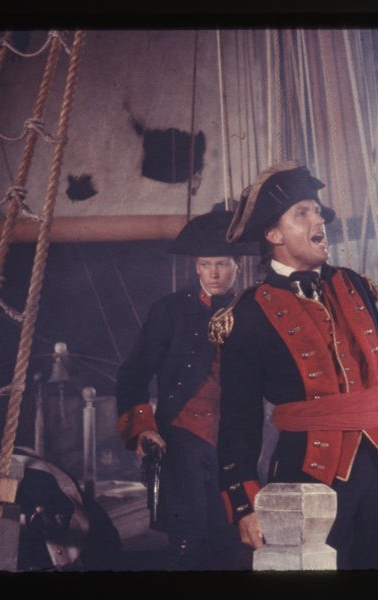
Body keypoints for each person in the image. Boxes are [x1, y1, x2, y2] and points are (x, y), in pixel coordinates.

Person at [214, 160, 378, 570]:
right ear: (273, 235)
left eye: (317, 210)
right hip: (309, 472)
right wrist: (244, 504)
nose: (317, 218)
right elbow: (239, 419)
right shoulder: (248, 312)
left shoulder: (353, 284)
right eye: (301, 213)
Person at [115, 207, 249, 570]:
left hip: (237, 439)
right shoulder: (170, 310)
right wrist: (143, 429)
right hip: (181, 436)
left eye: (222, 264)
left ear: (237, 266)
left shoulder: (252, 310)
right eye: (206, 265)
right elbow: (133, 373)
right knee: (187, 541)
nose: (214, 273)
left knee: (231, 541)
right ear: (197, 268)